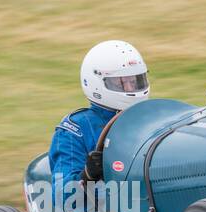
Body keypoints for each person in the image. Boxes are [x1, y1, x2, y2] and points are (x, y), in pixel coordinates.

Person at [49, 40, 150, 184]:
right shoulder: (76, 130)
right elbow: (61, 196)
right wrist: (87, 175)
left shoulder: (151, 118)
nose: (130, 88)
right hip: (104, 204)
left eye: (134, 81)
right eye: (121, 82)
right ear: (96, 83)